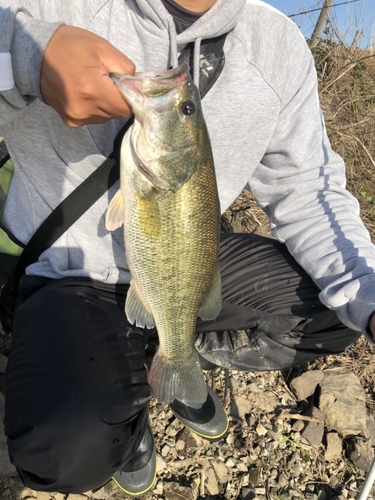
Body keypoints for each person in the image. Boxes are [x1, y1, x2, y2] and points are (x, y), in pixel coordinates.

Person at [1, 0, 375, 496]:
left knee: (339, 309)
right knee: (66, 449)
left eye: (186, 107)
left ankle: (174, 352)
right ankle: (130, 413)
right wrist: (25, 58)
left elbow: (307, 190)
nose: (180, 95)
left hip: (188, 261)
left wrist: (370, 300)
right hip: (69, 274)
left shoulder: (277, 46)